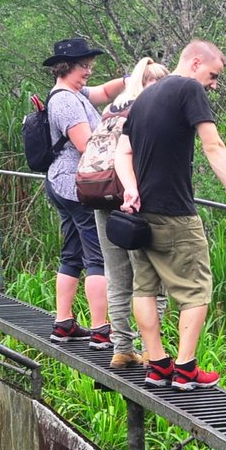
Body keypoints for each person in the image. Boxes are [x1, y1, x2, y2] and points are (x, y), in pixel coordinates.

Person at [114, 39, 226, 390]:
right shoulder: (189, 89)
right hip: (174, 213)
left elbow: (123, 152)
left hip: (141, 216)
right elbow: (213, 144)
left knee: (144, 286)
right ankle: (186, 368)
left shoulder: (144, 96)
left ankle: (157, 364)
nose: (214, 84)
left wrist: (131, 189)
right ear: (194, 63)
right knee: (197, 289)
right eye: (213, 75)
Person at [41, 37, 129, 344]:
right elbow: (86, 146)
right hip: (76, 186)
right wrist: (119, 130)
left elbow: (104, 92)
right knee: (97, 258)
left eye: (89, 66)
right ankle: (101, 329)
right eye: (83, 66)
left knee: (72, 254)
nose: (88, 71)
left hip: (62, 183)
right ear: (65, 67)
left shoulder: (73, 92)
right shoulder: (65, 101)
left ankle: (63, 322)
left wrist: (131, 81)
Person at [86, 57, 169, 369]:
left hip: (101, 195)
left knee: (117, 278)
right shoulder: (148, 111)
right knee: (151, 281)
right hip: (134, 202)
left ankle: (121, 349)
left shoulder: (112, 110)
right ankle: (152, 351)